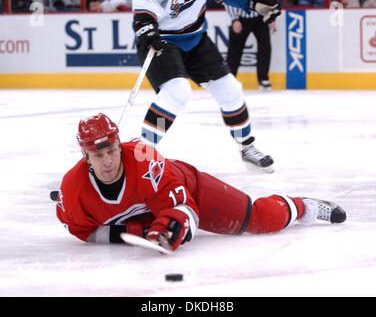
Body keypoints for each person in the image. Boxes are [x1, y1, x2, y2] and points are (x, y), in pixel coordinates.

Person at [54, 113, 346, 251]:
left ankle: (304, 207)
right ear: (85, 156)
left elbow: (184, 207)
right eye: (98, 154)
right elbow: (84, 231)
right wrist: (135, 231)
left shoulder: (146, 162)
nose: (107, 161)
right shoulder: (73, 189)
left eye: (112, 151)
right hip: (145, 207)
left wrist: (170, 228)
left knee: (258, 219)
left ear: (119, 146)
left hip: (188, 189)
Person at [132, 0, 281, 171]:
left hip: (195, 39)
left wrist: (255, 2)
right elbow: (143, 15)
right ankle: (144, 152)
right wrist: (147, 30)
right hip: (160, 40)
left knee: (230, 89)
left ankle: (246, 146)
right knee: (176, 91)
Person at [224, 2, 275, 91]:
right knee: (234, 50)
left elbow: (269, 0)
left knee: (265, 47)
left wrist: (270, 17)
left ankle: (263, 78)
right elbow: (229, 0)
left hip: (260, 17)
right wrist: (234, 19)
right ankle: (230, 79)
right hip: (241, 18)